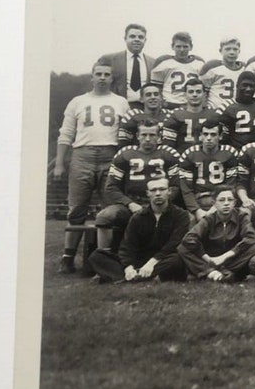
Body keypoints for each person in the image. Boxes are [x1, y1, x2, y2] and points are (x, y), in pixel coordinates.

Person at [54, 61, 130, 271]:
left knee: (110, 209)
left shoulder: (121, 102)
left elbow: (127, 132)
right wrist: (60, 163)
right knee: (77, 208)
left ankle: (106, 256)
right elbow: (66, 133)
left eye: (107, 74)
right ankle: (67, 257)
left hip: (111, 155)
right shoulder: (77, 101)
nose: (103, 77)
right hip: (83, 156)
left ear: (112, 78)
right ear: (92, 76)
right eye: (99, 74)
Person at [94, 119, 181, 250]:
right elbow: (111, 187)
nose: (147, 139)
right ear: (137, 136)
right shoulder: (125, 154)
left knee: (185, 220)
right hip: (132, 203)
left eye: (152, 135)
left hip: (160, 204)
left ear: (159, 137)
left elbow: (176, 186)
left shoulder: (168, 154)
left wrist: (162, 203)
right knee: (104, 217)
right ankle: (103, 258)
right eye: (144, 135)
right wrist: (130, 204)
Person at [87, 173, 191, 283]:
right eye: (153, 190)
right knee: (96, 256)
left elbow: (174, 244)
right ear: (147, 193)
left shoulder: (181, 215)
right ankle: (138, 276)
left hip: (163, 259)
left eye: (162, 189)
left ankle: (126, 278)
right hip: (140, 260)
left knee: (177, 260)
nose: (158, 193)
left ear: (169, 191)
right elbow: (127, 245)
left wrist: (152, 263)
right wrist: (128, 267)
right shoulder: (138, 217)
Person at [176, 186, 255, 282]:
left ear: (234, 203)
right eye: (221, 200)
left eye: (230, 200)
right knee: (182, 248)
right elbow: (189, 238)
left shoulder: (241, 216)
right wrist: (207, 258)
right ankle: (213, 273)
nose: (226, 203)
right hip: (211, 259)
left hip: (232, 259)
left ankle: (220, 273)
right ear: (214, 203)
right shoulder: (209, 219)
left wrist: (225, 257)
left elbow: (251, 237)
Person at [178, 120, 241, 220]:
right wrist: (196, 211)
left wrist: (215, 208)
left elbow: (230, 186)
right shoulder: (189, 154)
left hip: (222, 201)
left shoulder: (229, 153)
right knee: (190, 220)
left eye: (213, 135)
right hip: (198, 200)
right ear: (200, 136)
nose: (208, 138)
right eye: (205, 134)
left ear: (220, 136)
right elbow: (186, 189)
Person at [98, 23, 154, 108]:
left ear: (145, 40)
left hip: (145, 108)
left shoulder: (153, 62)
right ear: (125, 38)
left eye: (140, 37)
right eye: (132, 36)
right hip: (118, 107)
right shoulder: (109, 59)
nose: (137, 39)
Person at [162, 77, 224, 151]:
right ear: (185, 94)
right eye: (191, 92)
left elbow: (222, 142)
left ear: (205, 94)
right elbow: (169, 145)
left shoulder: (214, 115)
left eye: (198, 92)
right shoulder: (175, 115)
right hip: (182, 157)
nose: (194, 95)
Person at [149, 31, 205, 107]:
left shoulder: (199, 63)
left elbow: (203, 88)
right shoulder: (163, 62)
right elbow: (155, 87)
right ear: (172, 46)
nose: (182, 50)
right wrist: (162, 102)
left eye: (185, 46)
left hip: (190, 105)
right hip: (169, 103)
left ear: (191, 47)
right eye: (178, 46)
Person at [219, 71, 255, 150]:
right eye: (245, 85)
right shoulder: (226, 107)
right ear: (237, 86)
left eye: (251, 86)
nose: (248, 89)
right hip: (235, 151)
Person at [200, 37, 247, 109]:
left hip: (236, 111)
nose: (232, 52)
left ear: (239, 51)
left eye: (235, 49)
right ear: (220, 51)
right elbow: (202, 91)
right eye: (227, 49)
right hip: (215, 110)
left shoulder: (244, 69)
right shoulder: (213, 68)